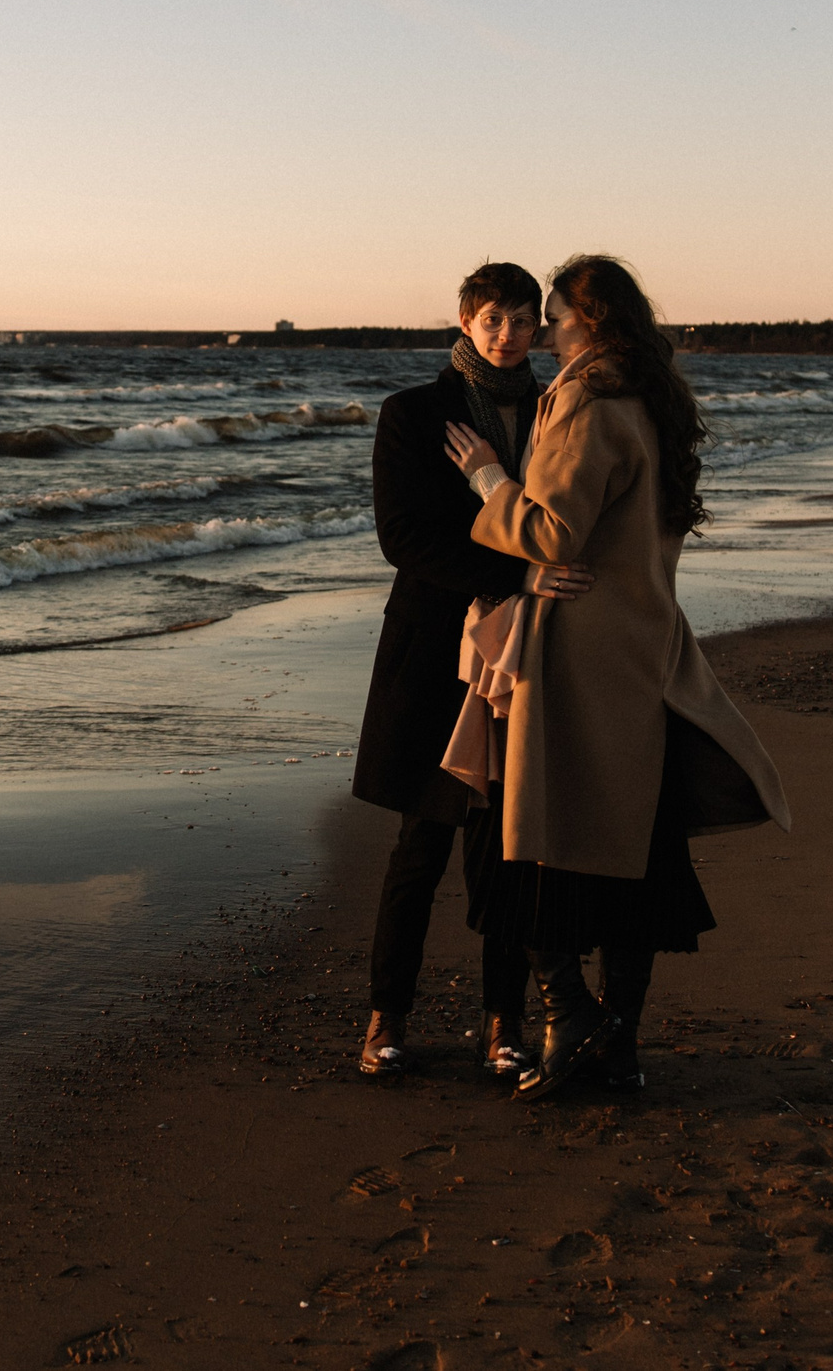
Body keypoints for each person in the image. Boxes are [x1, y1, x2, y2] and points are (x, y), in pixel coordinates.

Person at [440, 255, 790, 1101]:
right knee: (635, 857)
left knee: (532, 850)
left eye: (556, 316)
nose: (545, 331)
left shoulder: (589, 403)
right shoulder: (655, 399)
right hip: (646, 643)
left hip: (580, 654)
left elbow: (555, 532)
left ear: (590, 322)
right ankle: (617, 1044)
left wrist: (487, 476)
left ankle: (574, 1024)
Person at [350, 262, 594, 1079]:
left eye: (524, 320)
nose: (507, 334)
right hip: (433, 650)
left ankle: (503, 1026)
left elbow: (562, 520)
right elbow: (403, 540)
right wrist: (513, 571)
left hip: (524, 648)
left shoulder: (556, 411)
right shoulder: (415, 414)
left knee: (507, 848)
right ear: (464, 319)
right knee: (420, 844)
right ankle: (386, 1019)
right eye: (493, 317)